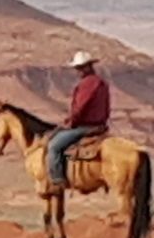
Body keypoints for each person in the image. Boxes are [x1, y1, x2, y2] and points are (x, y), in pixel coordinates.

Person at [47, 51, 111, 187]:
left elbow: (80, 108)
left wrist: (70, 123)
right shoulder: (102, 83)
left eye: (81, 67)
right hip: (100, 125)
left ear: (89, 66)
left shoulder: (87, 84)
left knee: (54, 146)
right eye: (77, 68)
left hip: (85, 127)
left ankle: (58, 180)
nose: (78, 71)